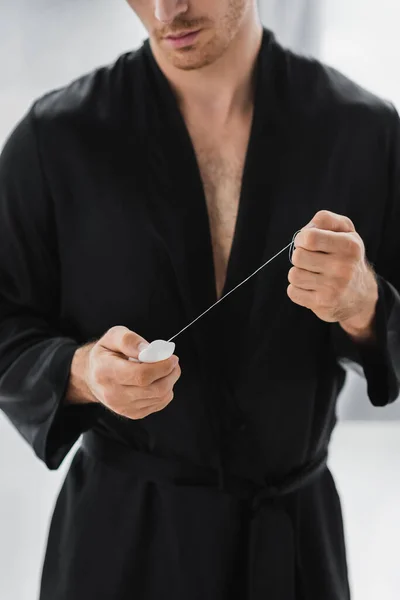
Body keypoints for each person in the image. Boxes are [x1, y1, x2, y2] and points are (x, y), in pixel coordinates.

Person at [0, 1, 399, 599]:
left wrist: (364, 303)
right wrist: (84, 373)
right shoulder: (54, 140)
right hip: (119, 551)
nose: (167, 10)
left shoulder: (364, 132)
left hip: (291, 553)